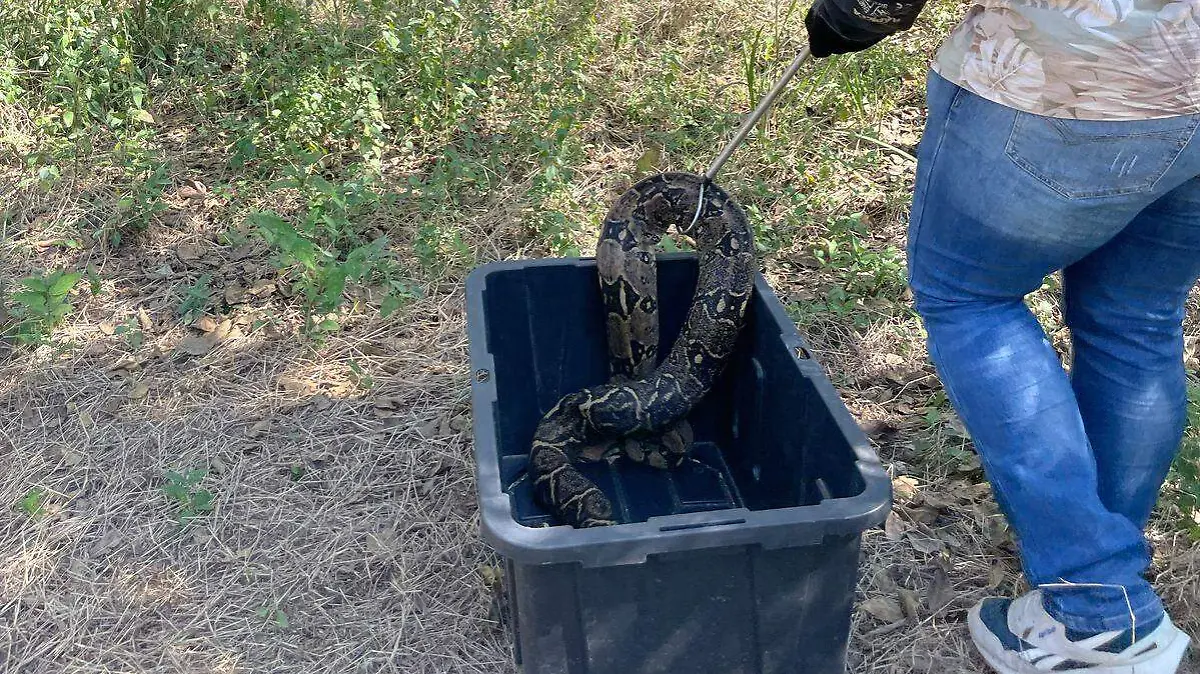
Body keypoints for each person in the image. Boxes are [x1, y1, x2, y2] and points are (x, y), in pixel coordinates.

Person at [802, 0, 1200, 671]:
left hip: (1063, 78)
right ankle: (1104, 568)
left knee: (969, 299)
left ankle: (1099, 606)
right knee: (1137, 321)